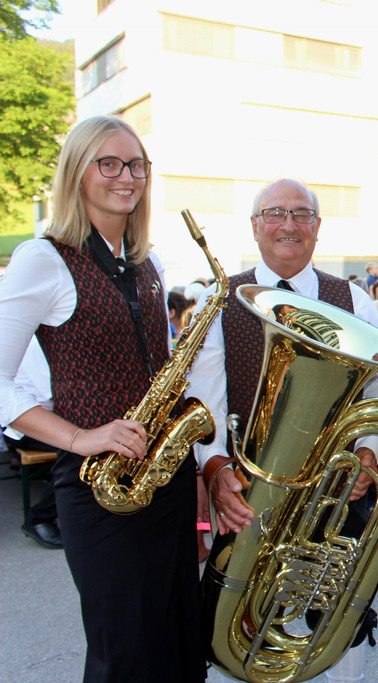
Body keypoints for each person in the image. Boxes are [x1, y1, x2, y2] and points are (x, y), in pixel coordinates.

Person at [0, 116, 205, 681]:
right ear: (77, 173)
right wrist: (78, 437)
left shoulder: (146, 261)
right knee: (126, 652)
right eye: (108, 163)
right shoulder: (43, 259)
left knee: (179, 640)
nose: (126, 176)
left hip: (163, 476)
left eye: (136, 164)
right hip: (99, 488)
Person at [186, 178, 378, 682]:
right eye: (275, 213)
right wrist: (212, 466)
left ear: (318, 228)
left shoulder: (355, 300)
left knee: (333, 624)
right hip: (249, 497)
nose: (288, 225)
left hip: (332, 496)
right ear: (255, 226)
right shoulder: (220, 297)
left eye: (302, 214)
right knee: (238, 625)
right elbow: (201, 399)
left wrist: (367, 451)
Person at [4, 337, 62, 548]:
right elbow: (55, 392)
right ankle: (39, 519)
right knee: (86, 455)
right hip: (27, 428)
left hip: (41, 422)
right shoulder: (32, 342)